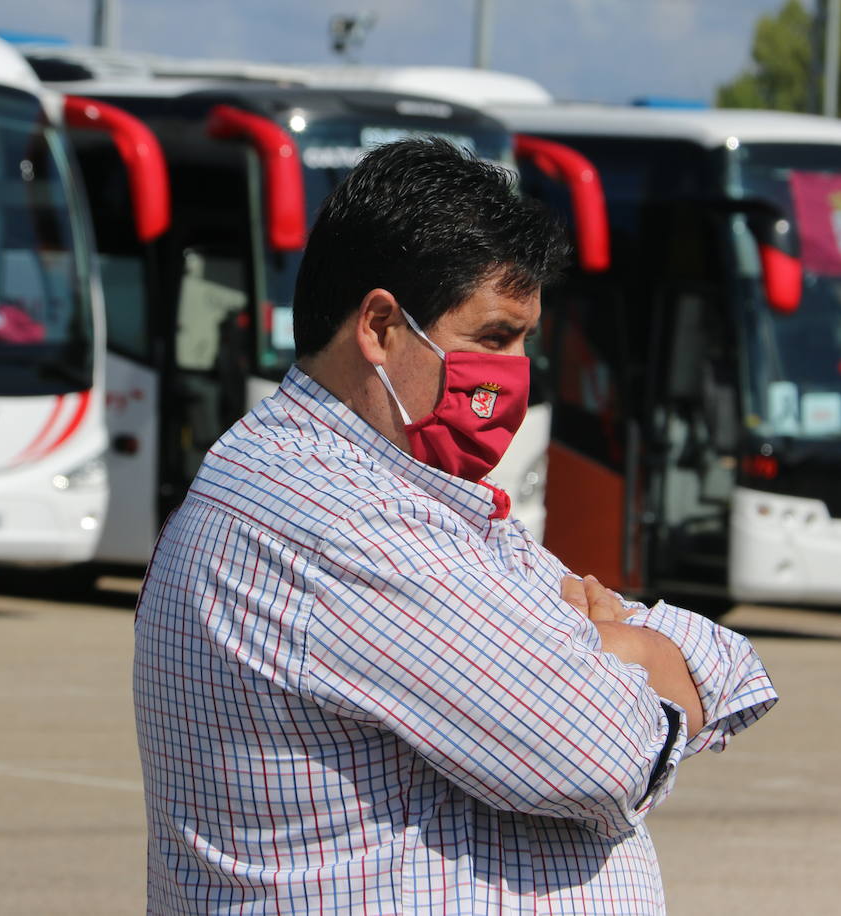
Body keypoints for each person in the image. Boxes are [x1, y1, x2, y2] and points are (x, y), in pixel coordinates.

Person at [133, 138, 777, 914]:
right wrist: (628, 646)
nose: (515, 373)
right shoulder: (347, 526)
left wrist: (583, 655)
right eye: (494, 337)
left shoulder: (395, 496)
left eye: (527, 342)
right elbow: (601, 752)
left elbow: (732, 666)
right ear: (379, 327)